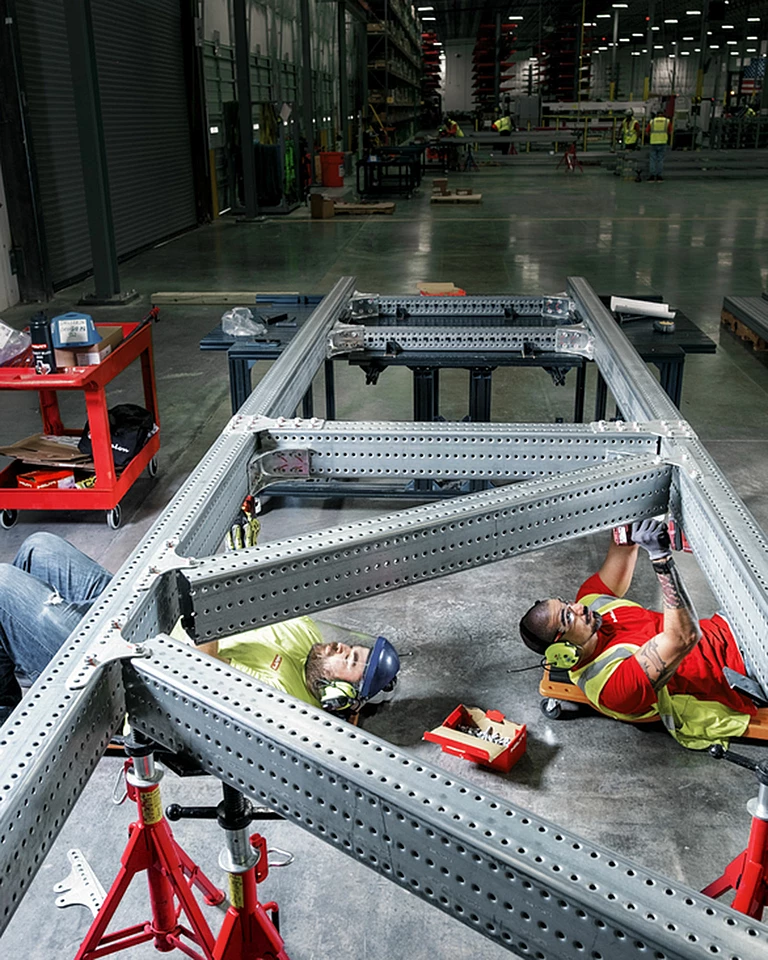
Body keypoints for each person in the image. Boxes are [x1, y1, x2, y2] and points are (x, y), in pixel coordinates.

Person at [0, 533, 400, 725]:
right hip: (151, 617)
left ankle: (25, 694)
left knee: (3, 584)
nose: (343, 648)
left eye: (351, 662)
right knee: (40, 547)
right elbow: (258, 593)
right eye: (353, 647)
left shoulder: (284, 701)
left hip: (122, 666)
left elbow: (200, 682)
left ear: (337, 695)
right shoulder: (307, 637)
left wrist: (212, 610)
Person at [518, 519, 765, 750]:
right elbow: (684, 638)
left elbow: (621, 546)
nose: (578, 608)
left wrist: (636, 514)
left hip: (730, 624)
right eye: (567, 617)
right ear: (562, 651)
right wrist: (661, 558)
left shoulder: (592, 603)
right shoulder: (611, 686)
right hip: (747, 669)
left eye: (566, 603)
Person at [646, 110, 672, 182]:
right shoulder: (667, 121)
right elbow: (670, 131)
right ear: (663, 114)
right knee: (660, 159)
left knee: (652, 159)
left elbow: (647, 131)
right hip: (663, 142)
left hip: (653, 142)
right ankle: (659, 176)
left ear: (657, 115)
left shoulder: (652, 121)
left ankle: (652, 176)